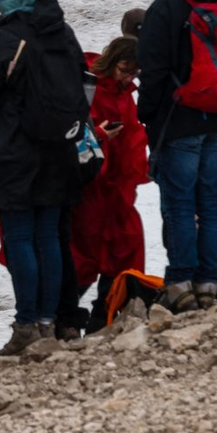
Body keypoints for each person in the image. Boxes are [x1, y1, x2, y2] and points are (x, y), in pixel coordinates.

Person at [0, 0, 86, 355]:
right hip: (59, 151)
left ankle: (26, 325)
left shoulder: (5, 38)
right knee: (51, 237)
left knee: (21, 237)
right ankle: (49, 321)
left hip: (15, 154)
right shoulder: (63, 33)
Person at [138, 0, 217, 311]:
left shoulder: (167, 7)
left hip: (181, 121)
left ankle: (180, 284)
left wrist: (147, 116)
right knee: (211, 203)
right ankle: (210, 284)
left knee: (180, 205)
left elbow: (154, 71)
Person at [71, 37, 147, 331]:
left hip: (116, 187)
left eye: (133, 73)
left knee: (126, 246)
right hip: (93, 188)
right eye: (124, 70)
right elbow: (79, 134)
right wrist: (101, 136)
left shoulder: (123, 91)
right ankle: (62, 315)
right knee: (85, 254)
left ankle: (103, 315)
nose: (128, 77)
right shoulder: (90, 88)